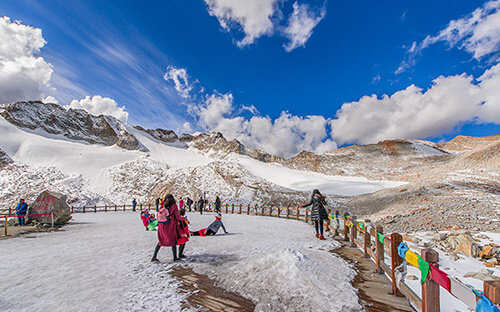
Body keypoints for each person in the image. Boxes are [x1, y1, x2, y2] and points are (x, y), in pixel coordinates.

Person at [151, 194, 182, 262]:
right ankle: (175, 257)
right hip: (170, 225)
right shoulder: (174, 206)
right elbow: (177, 215)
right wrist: (181, 220)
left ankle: (154, 256)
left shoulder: (162, 205)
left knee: (161, 240)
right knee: (173, 240)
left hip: (162, 225)